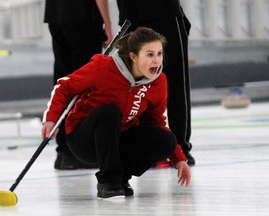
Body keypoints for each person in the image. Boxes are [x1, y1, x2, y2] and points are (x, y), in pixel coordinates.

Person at [41, 27, 191, 198]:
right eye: (150, 54)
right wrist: (51, 120)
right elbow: (64, 86)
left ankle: (121, 178)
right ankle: (108, 181)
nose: (156, 61)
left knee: (166, 141)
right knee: (110, 112)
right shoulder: (103, 67)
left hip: (118, 138)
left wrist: (179, 159)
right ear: (134, 56)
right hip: (85, 140)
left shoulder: (158, 82)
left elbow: (156, 122)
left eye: (159, 54)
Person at [116, 0, 195, 166]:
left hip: (150, 12)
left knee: (169, 84)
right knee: (139, 85)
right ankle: (156, 146)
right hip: (143, 13)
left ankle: (177, 146)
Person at [44, 0, 113, 169]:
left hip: (56, 16)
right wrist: (108, 25)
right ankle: (78, 152)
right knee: (84, 83)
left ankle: (64, 152)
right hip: (83, 16)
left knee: (64, 79)